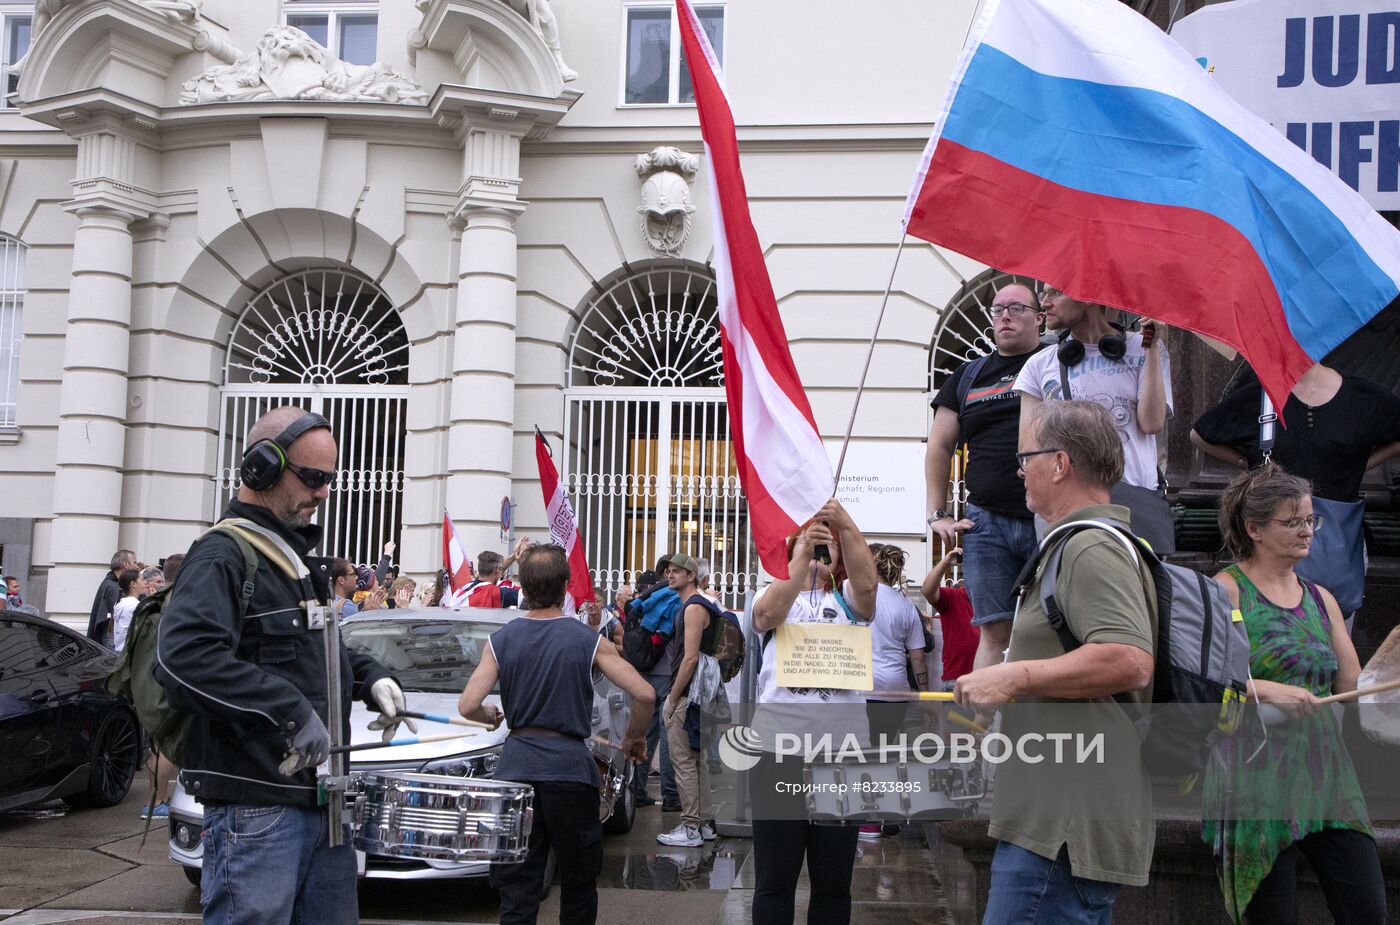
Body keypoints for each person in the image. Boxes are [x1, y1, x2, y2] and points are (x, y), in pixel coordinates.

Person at [155, 406, 410, 925]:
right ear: (261, 468)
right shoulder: (222, 555)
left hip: (322, 803)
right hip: (257, 806)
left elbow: (314, 650)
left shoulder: (292, 561)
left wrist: (371, 676)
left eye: (330, 481)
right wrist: (289, 713)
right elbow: (182, 660)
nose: (322, 493)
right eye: (313, 478)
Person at [956, 400, 1157, 923]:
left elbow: (1129, 659)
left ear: (1061, 464)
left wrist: (1014, 674)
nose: (1019, 469)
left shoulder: (1091, 547)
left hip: (1063, 827)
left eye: (1027, 457)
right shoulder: (1079, 544)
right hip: (1054, 821)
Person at [1203, 466, 1383, 924]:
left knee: (1366, 910)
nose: (1307, 531)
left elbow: (1351, 687)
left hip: (1326, 773)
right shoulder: (1225, 591)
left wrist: (1389, 678)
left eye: (1310, 520)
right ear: (1255, 529)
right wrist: (1260, 688)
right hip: (1254, 775)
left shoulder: (1321, 598)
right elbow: (1194, 683)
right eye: (1293, 522)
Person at [458, 543, 652, 925]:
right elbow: (645, 693)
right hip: (569, 773)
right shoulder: (586, 639)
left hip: (516, 771)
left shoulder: (501, 639)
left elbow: (467, 706)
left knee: (518, 887)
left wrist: (488, 715)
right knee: (579, 885)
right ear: (565, 586)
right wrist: (634, 738)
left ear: (522, 587)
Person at [750, 498, 878, 925]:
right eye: (811, 543)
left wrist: (846, 525)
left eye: (830, 547)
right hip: (778, 756)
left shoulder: (848, 602)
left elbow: (869, 589)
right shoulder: (770, 594)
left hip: (840, 759)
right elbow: (768, 614)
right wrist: (801, 553)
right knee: (775, 880)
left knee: (833, 883)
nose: (823, 551)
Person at [1192, 363, 1400, 619]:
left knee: (1331, 629)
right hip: (1273, 537)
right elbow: (1200, 434)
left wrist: (1361, 465)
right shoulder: (1260, 396)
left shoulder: (1361, 397)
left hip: (1336, 541)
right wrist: (1247, 464)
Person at [927, 283, 1043, 670]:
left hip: (1047, 517)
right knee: (994, 632)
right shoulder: (967, 376)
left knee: (1050, 628)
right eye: (997, 310)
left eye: (1016, 308)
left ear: (1040, 318)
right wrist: (937, 514)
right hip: (985, 522)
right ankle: (984, 730)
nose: (1004, 316)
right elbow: (939, 446)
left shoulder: (1055, 363)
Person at [1016, 287, 1171, 492]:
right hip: (1069, 498)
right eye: (1044, 294)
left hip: (1136, 496)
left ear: (1086, 298)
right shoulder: (1039, 364)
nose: (1045, 303)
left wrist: (1151, 348)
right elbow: (1029, 447)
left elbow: (1152, 423)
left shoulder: (1143, 348)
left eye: (1056, 293)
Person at [656, 553, 716, 848]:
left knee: (683, 762)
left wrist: (672, 696)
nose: (670, 575)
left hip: (689, 695)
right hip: (702, 695)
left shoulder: (692, 607)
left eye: (677, 571)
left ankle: (691, 827)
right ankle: (704, 825)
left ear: (691, 576)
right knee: (697, 761)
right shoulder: (699, 604)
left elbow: (689, 658)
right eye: (668, 571)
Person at [626, 559, 682, 812]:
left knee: (643, 735)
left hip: (643, 673)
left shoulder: (647, 597)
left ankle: (636, 790)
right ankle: (671, 795)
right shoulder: (677, 599)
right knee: (670, 736)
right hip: (667, 673)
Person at [920, 547, 979, 691]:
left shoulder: (992, 600)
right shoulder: (954, 597)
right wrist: (945, 562)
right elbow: (927, 590)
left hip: (988, 681)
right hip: (957, 682)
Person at [87, 548, 136, 646]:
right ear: (126, 564)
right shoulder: (111, 586)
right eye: (134, 562)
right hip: (111, 635)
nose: (136, 566)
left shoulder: (116, 584)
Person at [465, 537, 531, 608]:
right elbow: (530, 596)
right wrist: (522, 564)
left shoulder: (465, 589)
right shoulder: (500, 593)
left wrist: (515, 554)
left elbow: (497, 570)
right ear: (497, 570)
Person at [110, 568, 148, 653]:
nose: (145, 582)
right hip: (131, 653)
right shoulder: (135, 605)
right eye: (142, 580)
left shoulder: (120, 603)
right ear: (133, 584)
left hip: (120, 650)